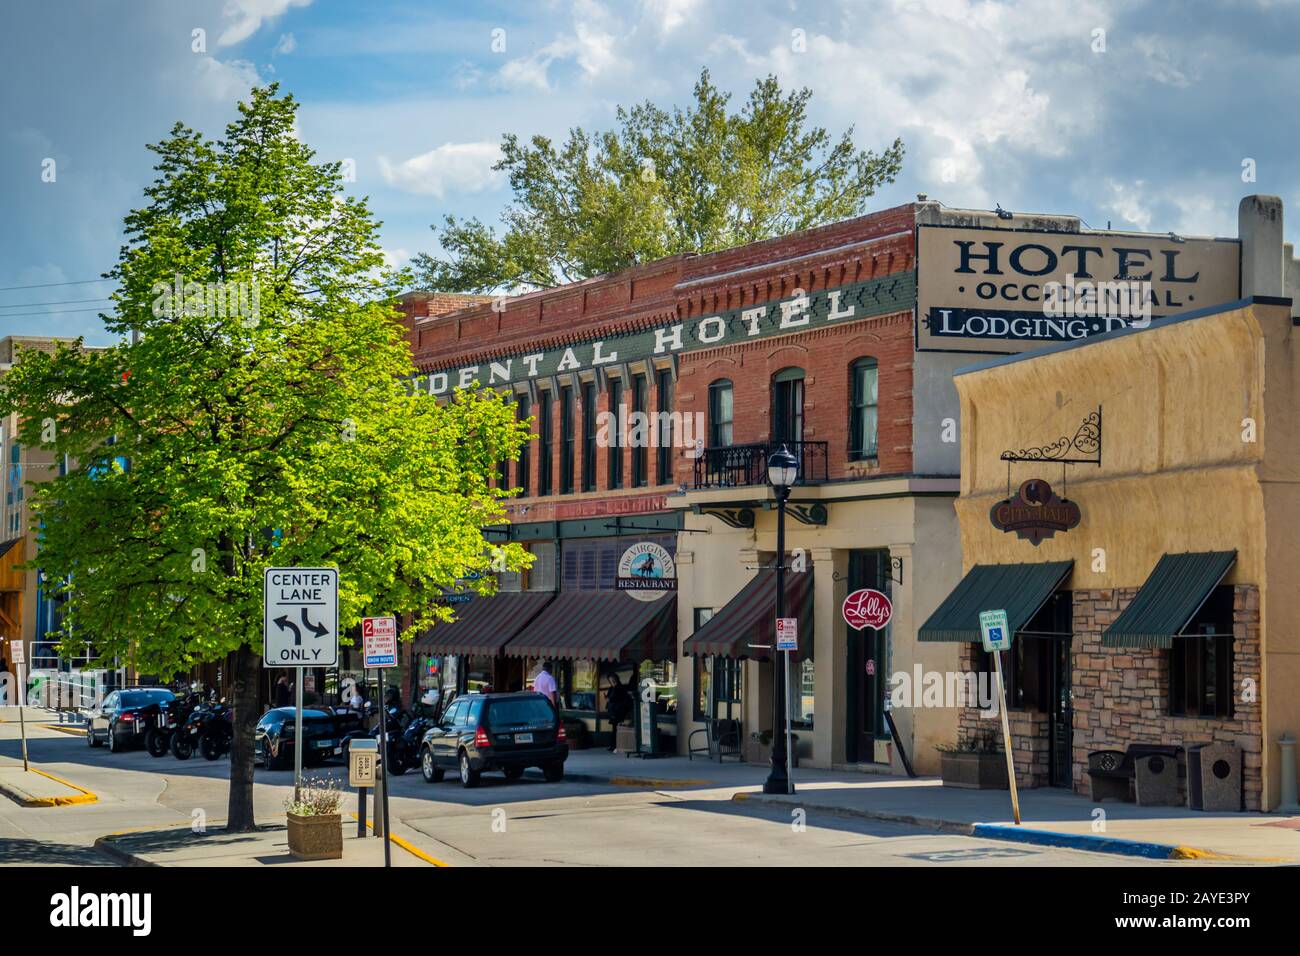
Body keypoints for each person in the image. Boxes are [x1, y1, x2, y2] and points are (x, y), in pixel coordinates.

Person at [605, 673, 632, 752]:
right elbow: (609, 697)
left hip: (619, 710)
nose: (612, 681)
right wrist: (608, 699)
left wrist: (610, 699)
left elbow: (619, 698)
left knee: (616, 728)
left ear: (616, 678)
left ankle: (615, 745)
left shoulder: (620, 687)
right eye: (610, 679)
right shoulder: (611, 688)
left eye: (613, 679)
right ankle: (613, 745)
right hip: (613, 710)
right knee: (614, 728)